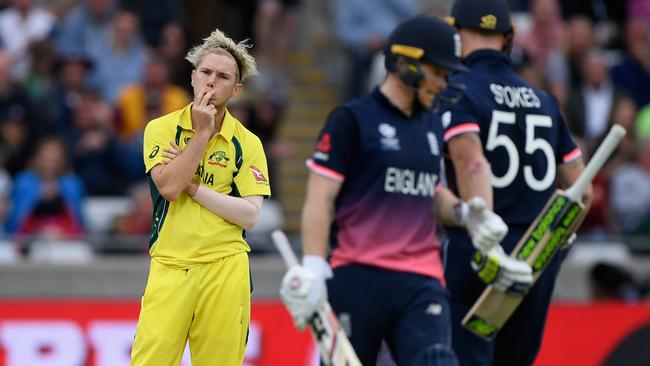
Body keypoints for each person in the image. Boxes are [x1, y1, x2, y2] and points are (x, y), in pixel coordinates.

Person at [279, 16, 532, 366]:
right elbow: (320, 198)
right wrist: (312, 265)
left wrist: (465, 214)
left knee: (438, 361)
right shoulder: (352, 120)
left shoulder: (431, 125)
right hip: (359, 274)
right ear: (404, 63)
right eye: (439, 73)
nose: (445, 84)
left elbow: (431, 192)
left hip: (422, 279)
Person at [442, 0, 593, 365]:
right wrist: (553, 246)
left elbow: (470, 160)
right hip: (536, 256)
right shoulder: (544, 100)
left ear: (456, 34)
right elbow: (581, 188)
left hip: (479, 249)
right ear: (509, 38)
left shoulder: (456, 90)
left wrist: (484, 233)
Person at [130, 28, 271, 366]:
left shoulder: (248, 143)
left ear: (236, 90)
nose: (211, 82)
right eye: (206, 72)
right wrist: (202, 134)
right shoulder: (161, 128)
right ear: (192, 77)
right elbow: (169, 188)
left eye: (223, 77)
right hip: (171, 264)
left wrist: (194, 186)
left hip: (226, 266)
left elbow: (250, 215)